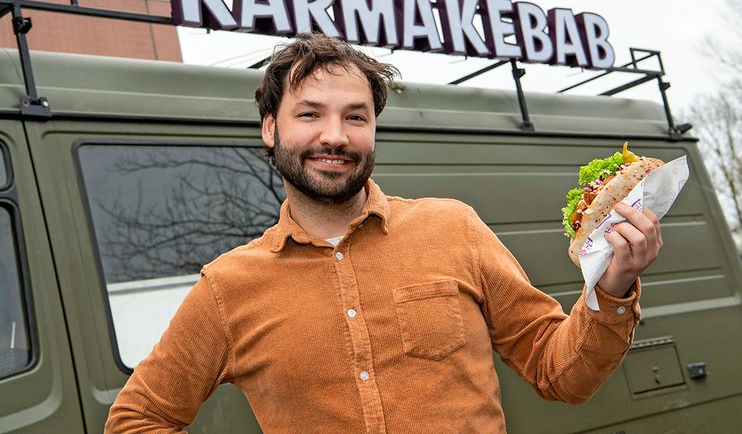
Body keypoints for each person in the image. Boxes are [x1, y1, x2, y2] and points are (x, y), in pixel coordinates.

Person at [105, 33, 662, 433]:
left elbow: (558, 373)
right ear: (271, 129)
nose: (335, 135)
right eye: (310, 115)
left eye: (356, 116)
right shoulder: (228, 288)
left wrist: (610, 287)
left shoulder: (454, 228)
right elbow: (137, 419)